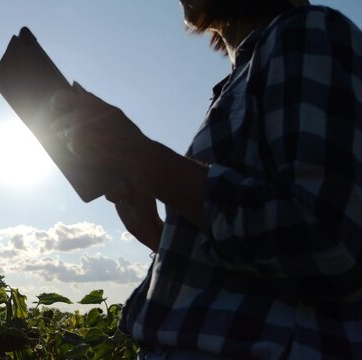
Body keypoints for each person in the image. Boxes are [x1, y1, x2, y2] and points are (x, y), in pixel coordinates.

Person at [51, 0, 362, 358]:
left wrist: (140, 156)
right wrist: (156, 231)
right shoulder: (236, 84)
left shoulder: (309, 31)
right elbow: (247, 276)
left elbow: (329, 235)